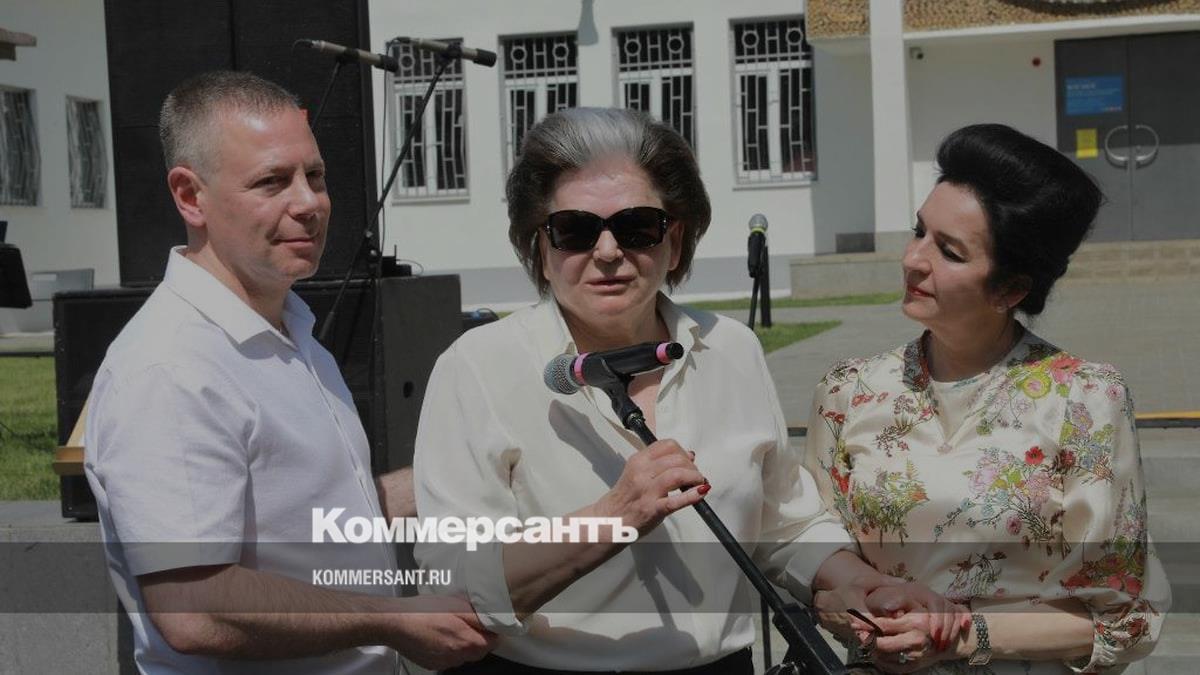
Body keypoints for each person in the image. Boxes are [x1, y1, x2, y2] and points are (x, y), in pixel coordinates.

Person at [412, 107, 967, 674]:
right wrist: (611, 517)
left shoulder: (731, 348)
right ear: (541, 247)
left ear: (674, 241)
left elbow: (784, 522)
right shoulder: (477, 367)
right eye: (575, 230)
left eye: (636, 227)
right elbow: (453, 581)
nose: (607, 251)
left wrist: (858, 584)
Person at [83, 71, 496, 673]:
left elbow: (315, 518)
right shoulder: (170, 369)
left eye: (315, 176)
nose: (308, 203)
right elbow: (195, 608)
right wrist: (394, 619)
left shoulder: (288, 328)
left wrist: (476, 468)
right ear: (190, 197)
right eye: (272, 181)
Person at [805, 124, 1170, 673]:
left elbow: (1124, 616)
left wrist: (963, 636)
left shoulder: (1085, 399)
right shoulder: (848, 391)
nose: (913, 259)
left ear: (1010, 289)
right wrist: (853, 610)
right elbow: (814, 549)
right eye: (919, 232)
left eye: (949, 252)